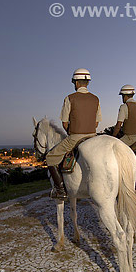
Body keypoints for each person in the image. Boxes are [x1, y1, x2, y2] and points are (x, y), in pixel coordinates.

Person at [45, 68, 102, 199]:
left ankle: (60, 190)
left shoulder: (69, 98)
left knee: (50, 157)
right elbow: (97, 123)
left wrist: (72, 133)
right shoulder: (96, 99)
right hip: (93, 135)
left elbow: (64, 123)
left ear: (76, 83)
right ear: (87, 82)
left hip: (75, 136)